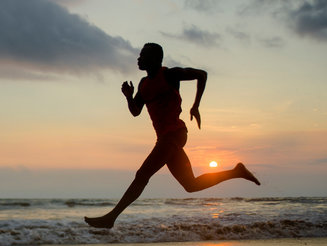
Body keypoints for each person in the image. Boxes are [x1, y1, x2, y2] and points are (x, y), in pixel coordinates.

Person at [85, 43, 260, 229]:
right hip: (164, 138)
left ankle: (111, 217)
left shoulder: (170, 75)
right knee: (190, 185)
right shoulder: (143, 84)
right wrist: (128, 96)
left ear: (155, 59)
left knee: (142, 174)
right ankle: (236, 172)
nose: (138, 58)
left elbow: (202, 75)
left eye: (142, 55)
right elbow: (136, 111)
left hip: (175, 134)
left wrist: (196, 105)